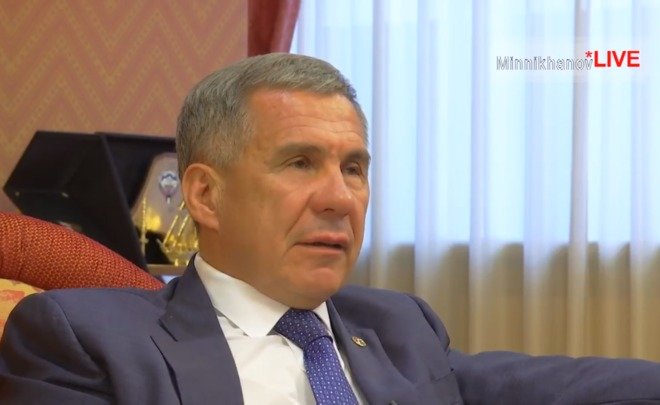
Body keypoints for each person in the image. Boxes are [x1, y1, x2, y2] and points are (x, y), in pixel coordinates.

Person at [1, 53, 660, 405]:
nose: (340, 198)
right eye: (300, 163)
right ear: (205, 194)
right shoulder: (83, 338)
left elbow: (536, 384)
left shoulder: (400, 326)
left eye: (353, 168)